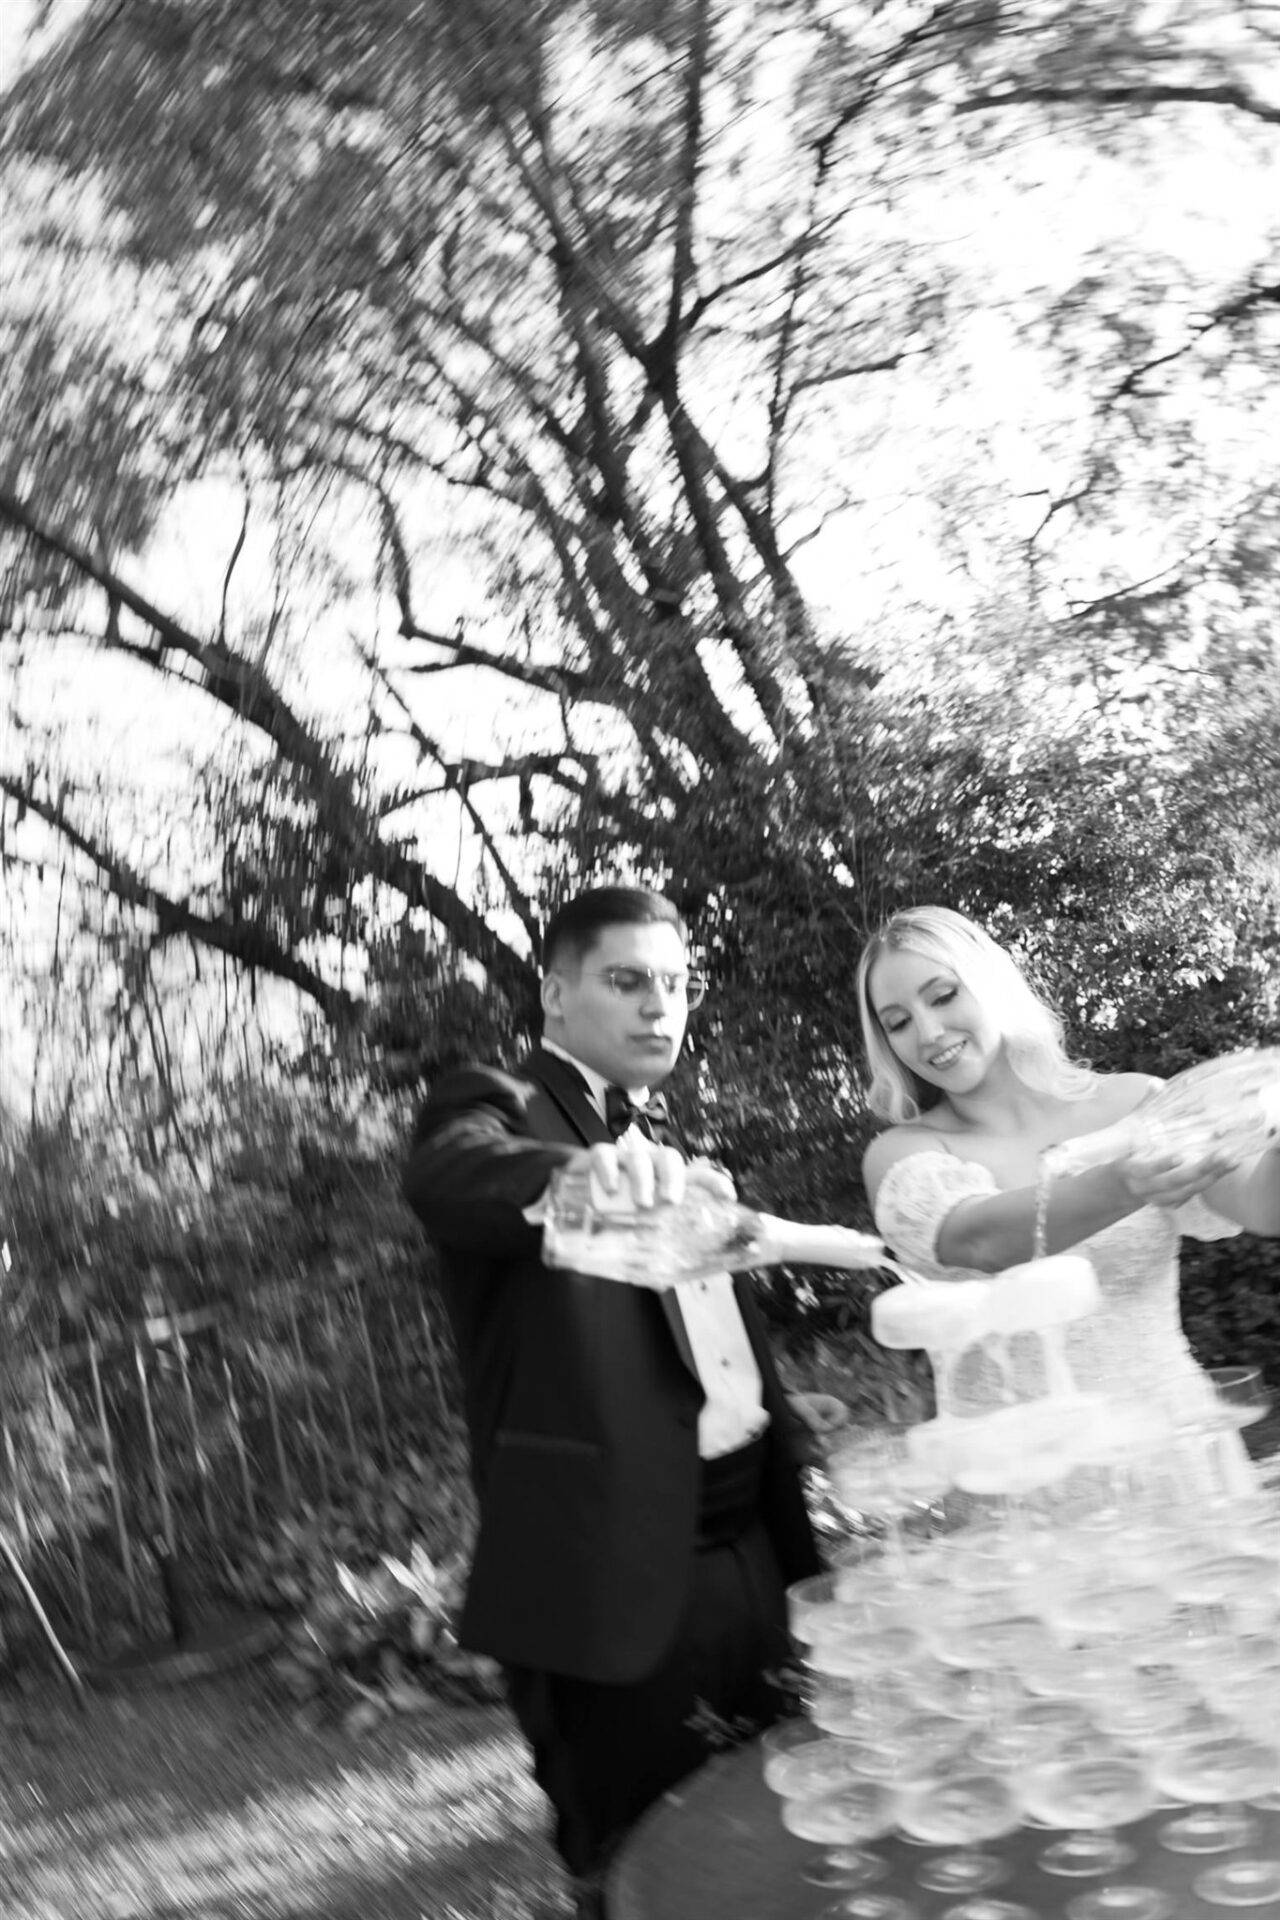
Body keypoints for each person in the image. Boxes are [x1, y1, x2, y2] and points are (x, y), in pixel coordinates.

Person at [402, 885, 824, 1917]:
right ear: (555, 993)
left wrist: (768, 1416)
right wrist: (591, 1175)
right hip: (615, 1576)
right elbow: (452, 1172)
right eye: (627, 981)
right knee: (649, 1868)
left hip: (759, 1551)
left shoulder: (662, 1136)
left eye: (675, 984)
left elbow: (682, 1344)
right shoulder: (494, 1102)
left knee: (790, 1841)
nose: (658, 1005)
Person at [856, 905, 1280, 1433]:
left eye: (943, 996)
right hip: (1015, 1468)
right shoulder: (902, 1154)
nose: (929, 1032)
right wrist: (1123, 1181)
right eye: (898, 1022)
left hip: (1174, 1440)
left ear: (991, 983)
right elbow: (982, 1242)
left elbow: (1264, 1207)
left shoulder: (1137, 1100)